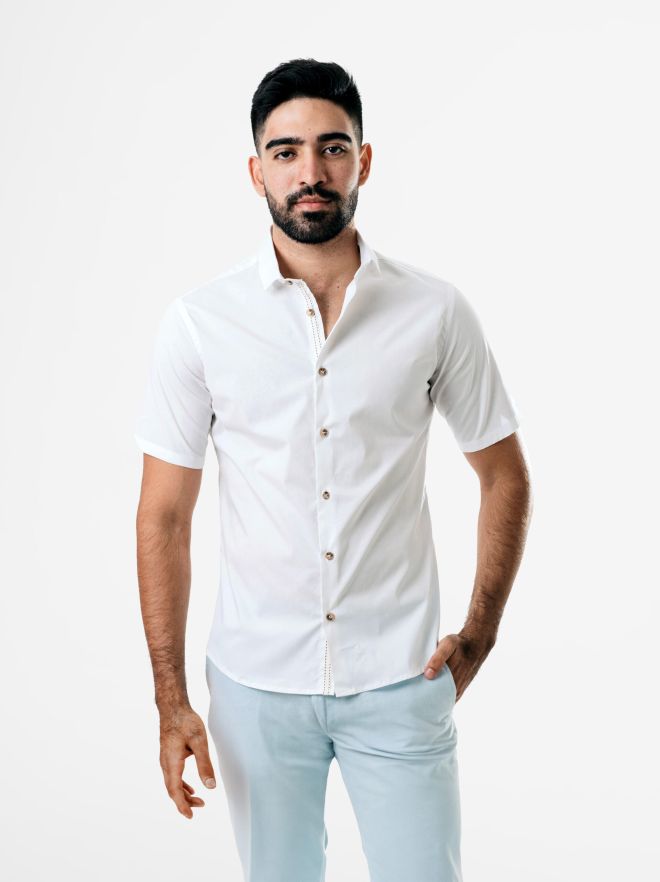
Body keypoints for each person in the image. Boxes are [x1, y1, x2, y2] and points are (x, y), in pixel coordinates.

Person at [134, 58, 533, 882]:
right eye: (285, 152)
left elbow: (504, 473)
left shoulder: (434, 312)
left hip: (402, 676)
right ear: (256, 172)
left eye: (331, 147)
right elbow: (163, 518)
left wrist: (480, 633)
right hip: (255, 686)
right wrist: (171, 697)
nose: (309, 172)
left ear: (364, 160)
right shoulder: (200, 325)